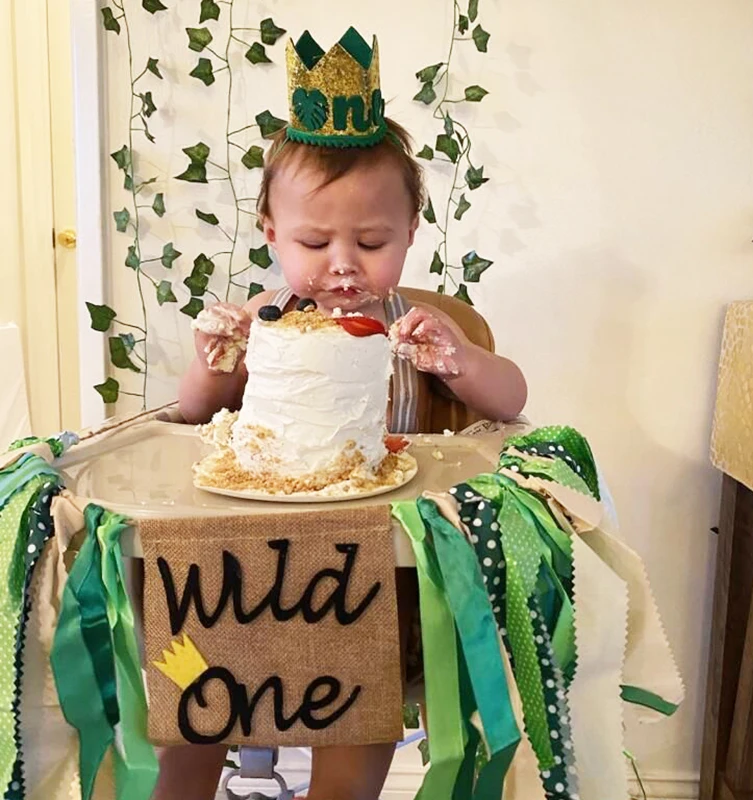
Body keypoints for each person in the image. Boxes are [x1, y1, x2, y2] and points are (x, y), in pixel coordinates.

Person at [165, 27, 527, 800]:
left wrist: (460, 362)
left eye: (370, 240)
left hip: (372, 579)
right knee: (187, 699)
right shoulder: (265, 323)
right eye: (313, 239)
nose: (341, 264)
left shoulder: (414, 330)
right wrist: (211, 356)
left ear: (410, 234)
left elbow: (511, 401)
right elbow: (192, 415)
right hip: (246, 572)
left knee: (359, 718)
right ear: (270, 234)